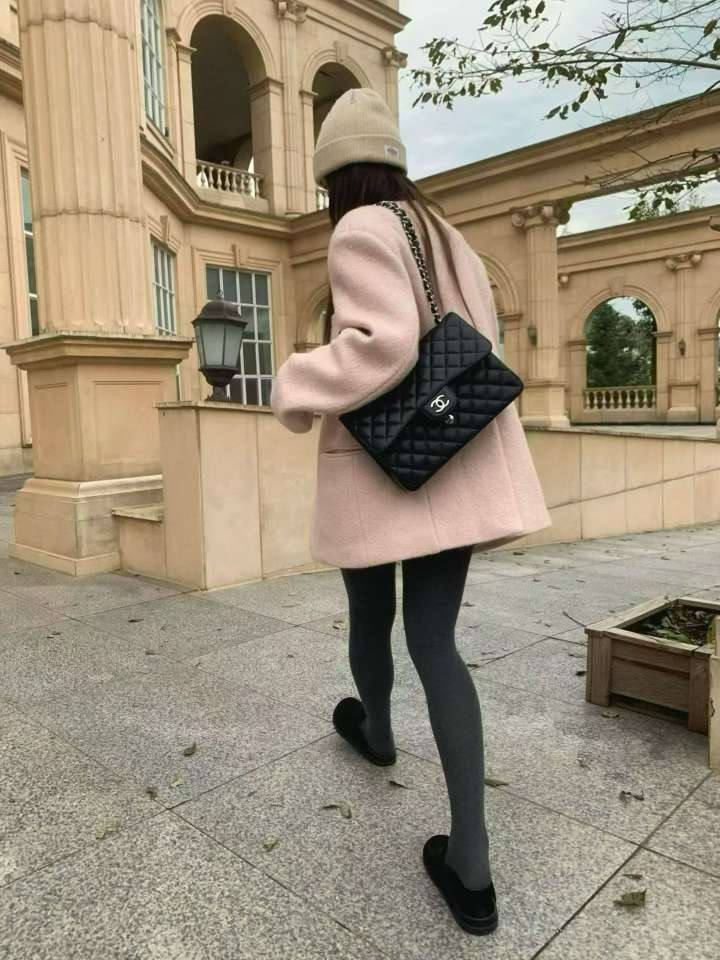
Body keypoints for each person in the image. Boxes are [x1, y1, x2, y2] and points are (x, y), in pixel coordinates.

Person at [270, 88, 552, 936]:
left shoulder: (360, 228)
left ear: (333, 178)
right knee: (436, 642)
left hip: (379, 467)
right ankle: (471, 861)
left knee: (370, 614)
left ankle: (378, 732)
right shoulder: (444, 233)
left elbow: (383, 345)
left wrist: (294, 380)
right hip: (451, 460)